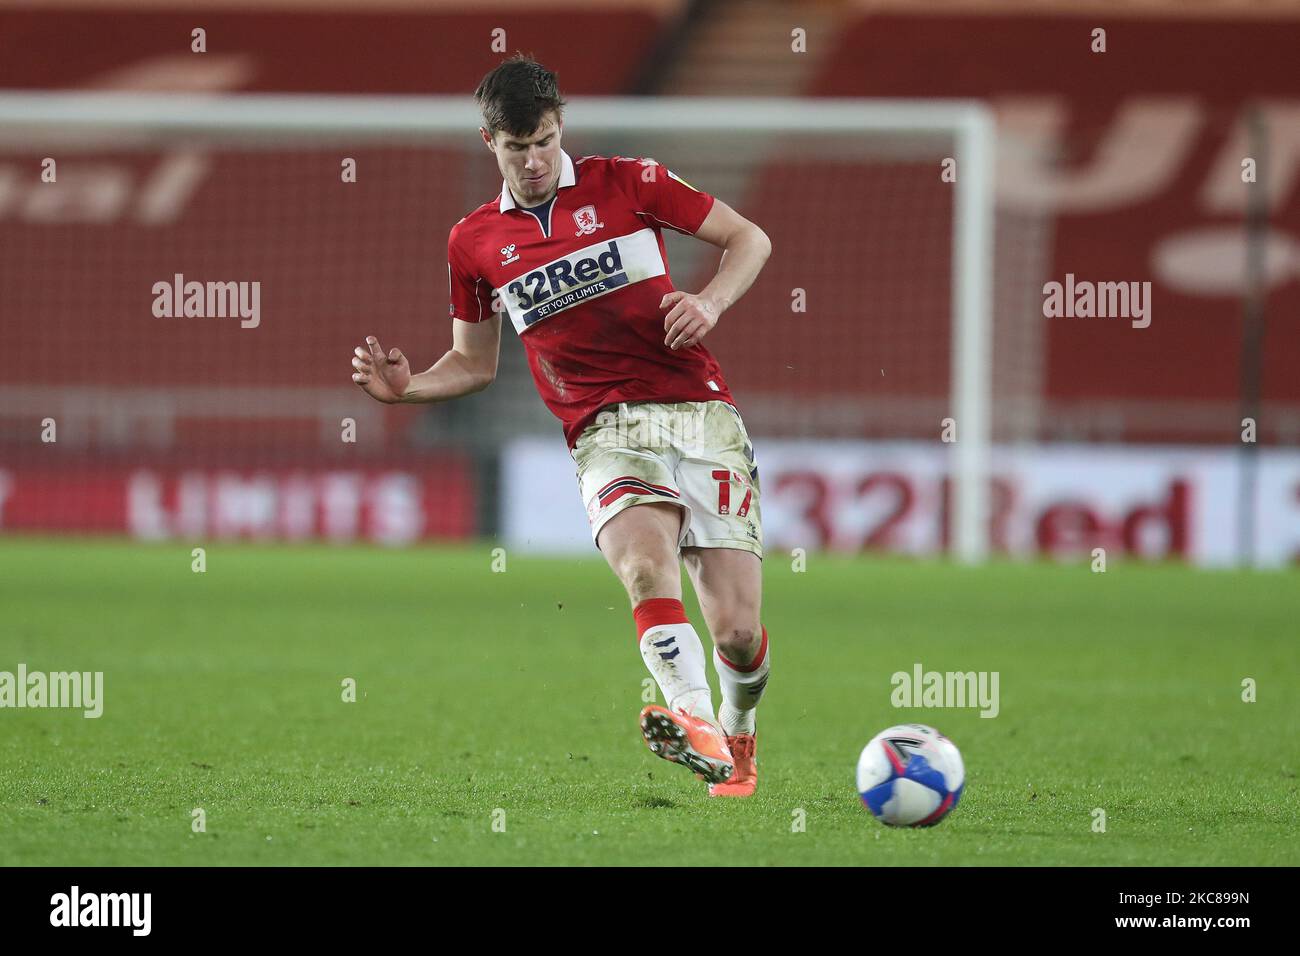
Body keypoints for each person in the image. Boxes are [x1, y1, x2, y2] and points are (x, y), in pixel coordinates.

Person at [350, 55, 772, 796]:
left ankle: (738, 732)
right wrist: (410, 387)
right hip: (601, 426)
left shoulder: (630, 182)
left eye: (544, 140)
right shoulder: (474, 242)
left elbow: (750, 240)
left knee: (737, 632)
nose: (535, 160)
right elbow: (473, 364)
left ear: (560, 128)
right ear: (491, 143)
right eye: (517, 148)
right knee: (645, 565)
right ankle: (695, 721)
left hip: (698, 411)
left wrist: (708, 303)